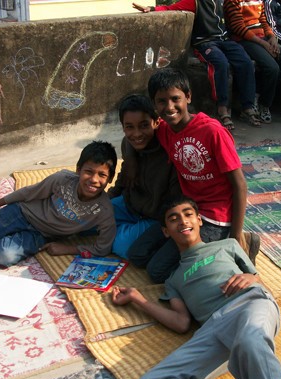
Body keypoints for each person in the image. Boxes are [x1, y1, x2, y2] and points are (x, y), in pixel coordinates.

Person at [112, 196, 281, 379]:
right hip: (212, 328)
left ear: (199, 220)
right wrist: (137, 298)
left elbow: (262, 284)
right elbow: (181, 322)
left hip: (249, 304)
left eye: (188, 214)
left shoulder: (228, 245)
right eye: (173, 219)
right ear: (166, 231)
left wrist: (253, 278)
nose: (183, 221)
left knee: (250, 341)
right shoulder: (173, 279)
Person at [127, 68, 260, 283]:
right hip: (186, 211)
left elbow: (240, 185)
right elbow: (134, 137)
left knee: (157, 272)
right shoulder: (165, 130)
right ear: (154, 104)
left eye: (175, 99)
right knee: (137, 255)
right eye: (162, 101)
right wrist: (131, 161)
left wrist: (236, 236)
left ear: (188, 97)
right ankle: (202, 248)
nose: (169, 107)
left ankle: (230, 247)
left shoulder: (212, 132)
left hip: (215, 217)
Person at [0, 141, 118, 266]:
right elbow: (28, 192)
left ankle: (0, 232)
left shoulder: (104, 211)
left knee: (3, 256)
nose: (94, 179)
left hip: (41, 235)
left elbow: (103, 248)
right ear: (78, 170)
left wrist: (67, 248)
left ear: (110, 179)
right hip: (21, 213)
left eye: (102, 175)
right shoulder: (62, 179)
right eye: (89, 172)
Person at [132, 0, 262, 129]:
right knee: (220, 63)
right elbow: (171, 8)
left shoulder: (222, 2)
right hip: (205, 42)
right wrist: (151, 9)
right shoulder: (195, 2)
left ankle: (247, 106)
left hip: (224, 40)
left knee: (245, 62)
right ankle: (222, 107)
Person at [108, 94, 181, 259]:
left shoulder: (170, 151)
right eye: (129, 127)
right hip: (130, 204)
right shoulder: (128, 144)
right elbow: (124, 176)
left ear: (156, 122)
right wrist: (108, 198)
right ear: (123, 127)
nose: (137, 134)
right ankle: (119, 229)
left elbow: (175, 199)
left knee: (122, 246)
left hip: (156, 217)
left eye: (144, 126)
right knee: (91, 216)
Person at [224, 0, 281, 123]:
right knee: (272, 68)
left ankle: (258, 93)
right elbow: (238, 27)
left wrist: (272, 37)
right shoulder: (233, 1)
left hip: (262, 38)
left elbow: (263, 21)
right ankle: (265, 104)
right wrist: (263, 44)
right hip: (244, 40)